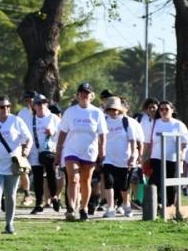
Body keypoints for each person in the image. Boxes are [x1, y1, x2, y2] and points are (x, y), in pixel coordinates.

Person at [0, 95, 32, 235]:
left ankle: (9, 224)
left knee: (10, 194)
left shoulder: (16, 121)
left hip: (11, 164)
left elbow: (28, 138)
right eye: (2, 107)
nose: (6, 109)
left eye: (8, 106)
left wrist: (26, 149)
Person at [55, 82, 108, 221]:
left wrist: (102, 151)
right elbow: (63, 132)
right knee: (73, 178)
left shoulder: (97, 113)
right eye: (82, 93)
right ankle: (71, 208)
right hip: (71, 150)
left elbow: (102, 134)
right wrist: (58, 150)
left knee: (85, 180)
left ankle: (83, 207)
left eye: (87, 93)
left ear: (92, 96)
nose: (84, 95)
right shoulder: (70, 111)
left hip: (89, 151)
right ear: (78, 95)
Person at [143, 99, 188, 210]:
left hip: (172, 159)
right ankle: (156, 204)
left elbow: (185, 142)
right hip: (156, 158)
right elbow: (148, 142)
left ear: (172, 110)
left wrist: (182, 153)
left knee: (170, 183)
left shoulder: (178, 125)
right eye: (161, 109)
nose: (164, 111)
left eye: (166, 109)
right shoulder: (154, 123)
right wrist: (144, 157)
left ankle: (170, 205)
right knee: (155, 181)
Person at [101, 96, 137, 218]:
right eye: (110, 109)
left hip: (124, 159)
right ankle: (110, 207)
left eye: (115, 109)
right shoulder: (104, 121)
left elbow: (133, 141)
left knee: (124, 186)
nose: (113, 112)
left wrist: (133, 155)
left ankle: (126, 204)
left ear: (120, 109)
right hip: (108, 158)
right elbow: (99, 138)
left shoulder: (126, 122)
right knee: (109, 182)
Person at [27, 94, 61, 214]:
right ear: (34, 106)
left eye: (43, 103)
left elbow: (62, 134)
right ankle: (39, 203)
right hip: (35, 151)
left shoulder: (53, 118)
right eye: (38, 103)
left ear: (47, 104)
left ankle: (54, 197)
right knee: (37, 177)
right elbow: (26, 136)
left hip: (49, 151)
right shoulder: (30, 119)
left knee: (51, 175)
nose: (41, 105)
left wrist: (53, 132)